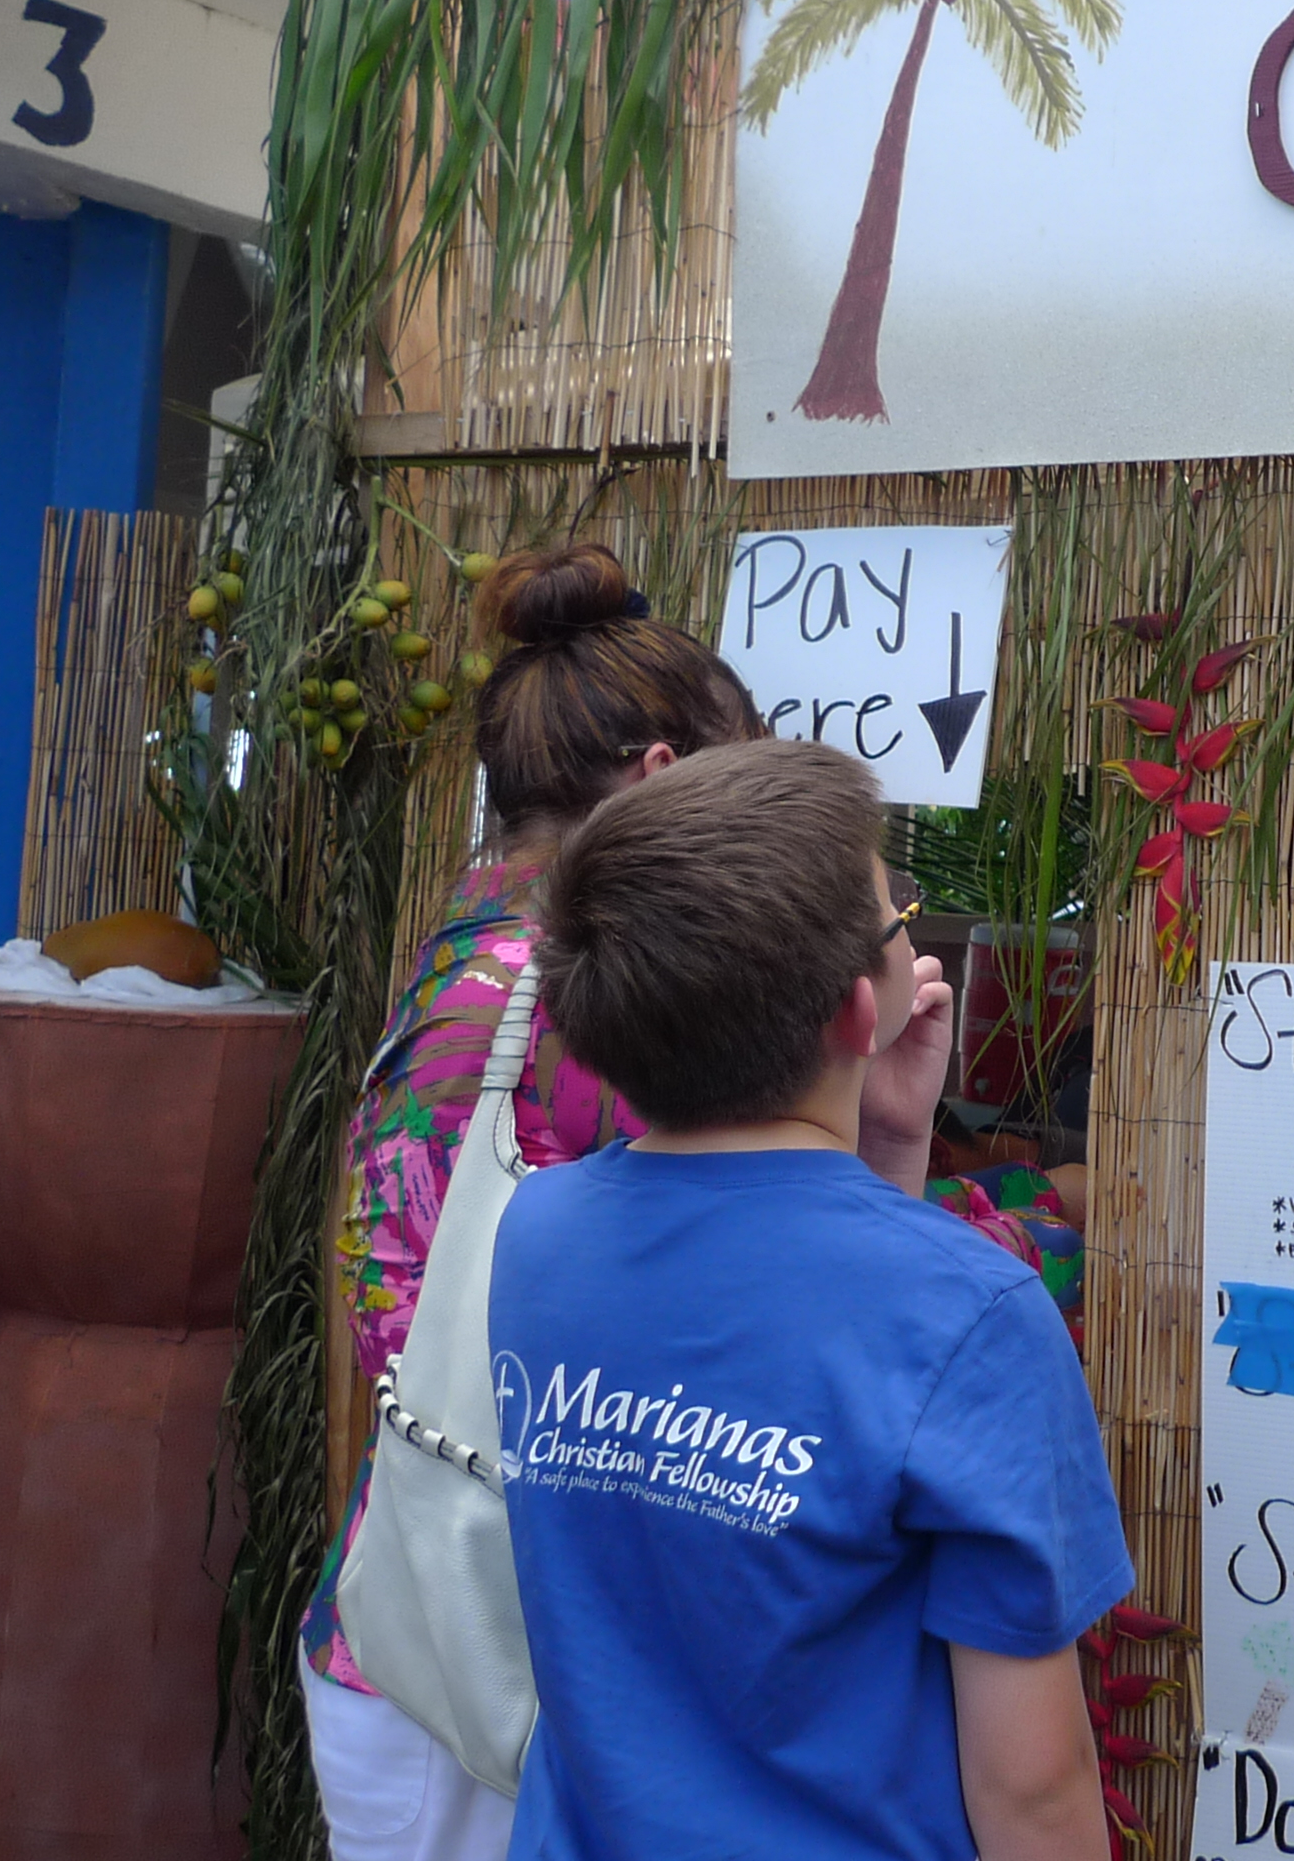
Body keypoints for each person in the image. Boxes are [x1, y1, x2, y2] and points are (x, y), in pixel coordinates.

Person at [296, 547, 957, 1861]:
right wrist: (895, 1132)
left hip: (398, 1618)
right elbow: (811, 1312)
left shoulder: (459, 958)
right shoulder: (608, 1008)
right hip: (540, 1670)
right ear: (664, 781)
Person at [490, 739, 1130, 1861]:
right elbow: (1032, 1788)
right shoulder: (974, 1315)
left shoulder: (538, 1233)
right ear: (855, 1009)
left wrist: (885, 1143)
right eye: (900, 920)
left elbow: (798, 1317)